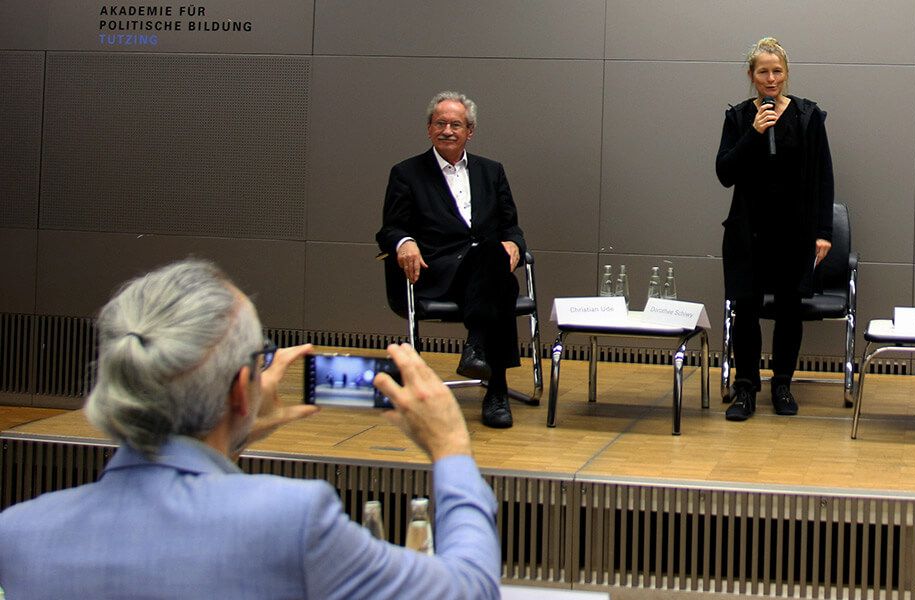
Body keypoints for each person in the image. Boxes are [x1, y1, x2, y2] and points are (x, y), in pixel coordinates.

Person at [0, 259, 501, 599]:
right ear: (243, 388)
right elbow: (471, 589)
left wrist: (229, 436)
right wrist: (451, 447)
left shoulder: (18, 534)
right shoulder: (295, 519)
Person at [377, 91, 527, 429]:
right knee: (502, 281)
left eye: (455, 124)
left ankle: (478, 351)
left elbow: (511, 224)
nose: (448, 130)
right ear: (429, 129)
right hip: (438, 271)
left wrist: (515, 243)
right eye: (440, 123)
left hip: (484, 272)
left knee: (494, 256)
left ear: (469, 131)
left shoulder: (492, 171)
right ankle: (496, 390)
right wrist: (405, 242)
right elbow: (390, 228)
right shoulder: (406, 173)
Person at [715, 37, 835, 421]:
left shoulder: (807, 116)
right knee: (745, 309)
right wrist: (753, 132)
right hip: (747, 230)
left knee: (789, 309)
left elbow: (823, 177)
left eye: (777, 71)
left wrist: (823, 231)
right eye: (763, 71)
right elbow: (724, 173)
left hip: (793, 231)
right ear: (751, 75)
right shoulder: (737, 118)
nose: (771, 78)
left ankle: (782, 383)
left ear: (786, 73)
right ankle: (746, 387)